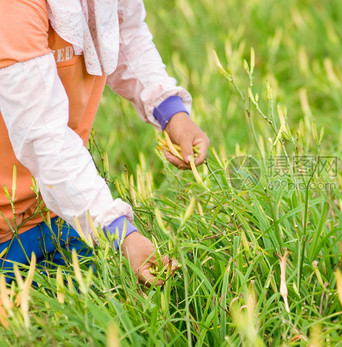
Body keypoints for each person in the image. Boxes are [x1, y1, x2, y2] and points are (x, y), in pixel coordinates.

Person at [0, 0, 209, 285]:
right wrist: (121, 234)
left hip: (63, 211)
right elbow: (45, 139)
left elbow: (124, 35)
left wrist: (171, 111)